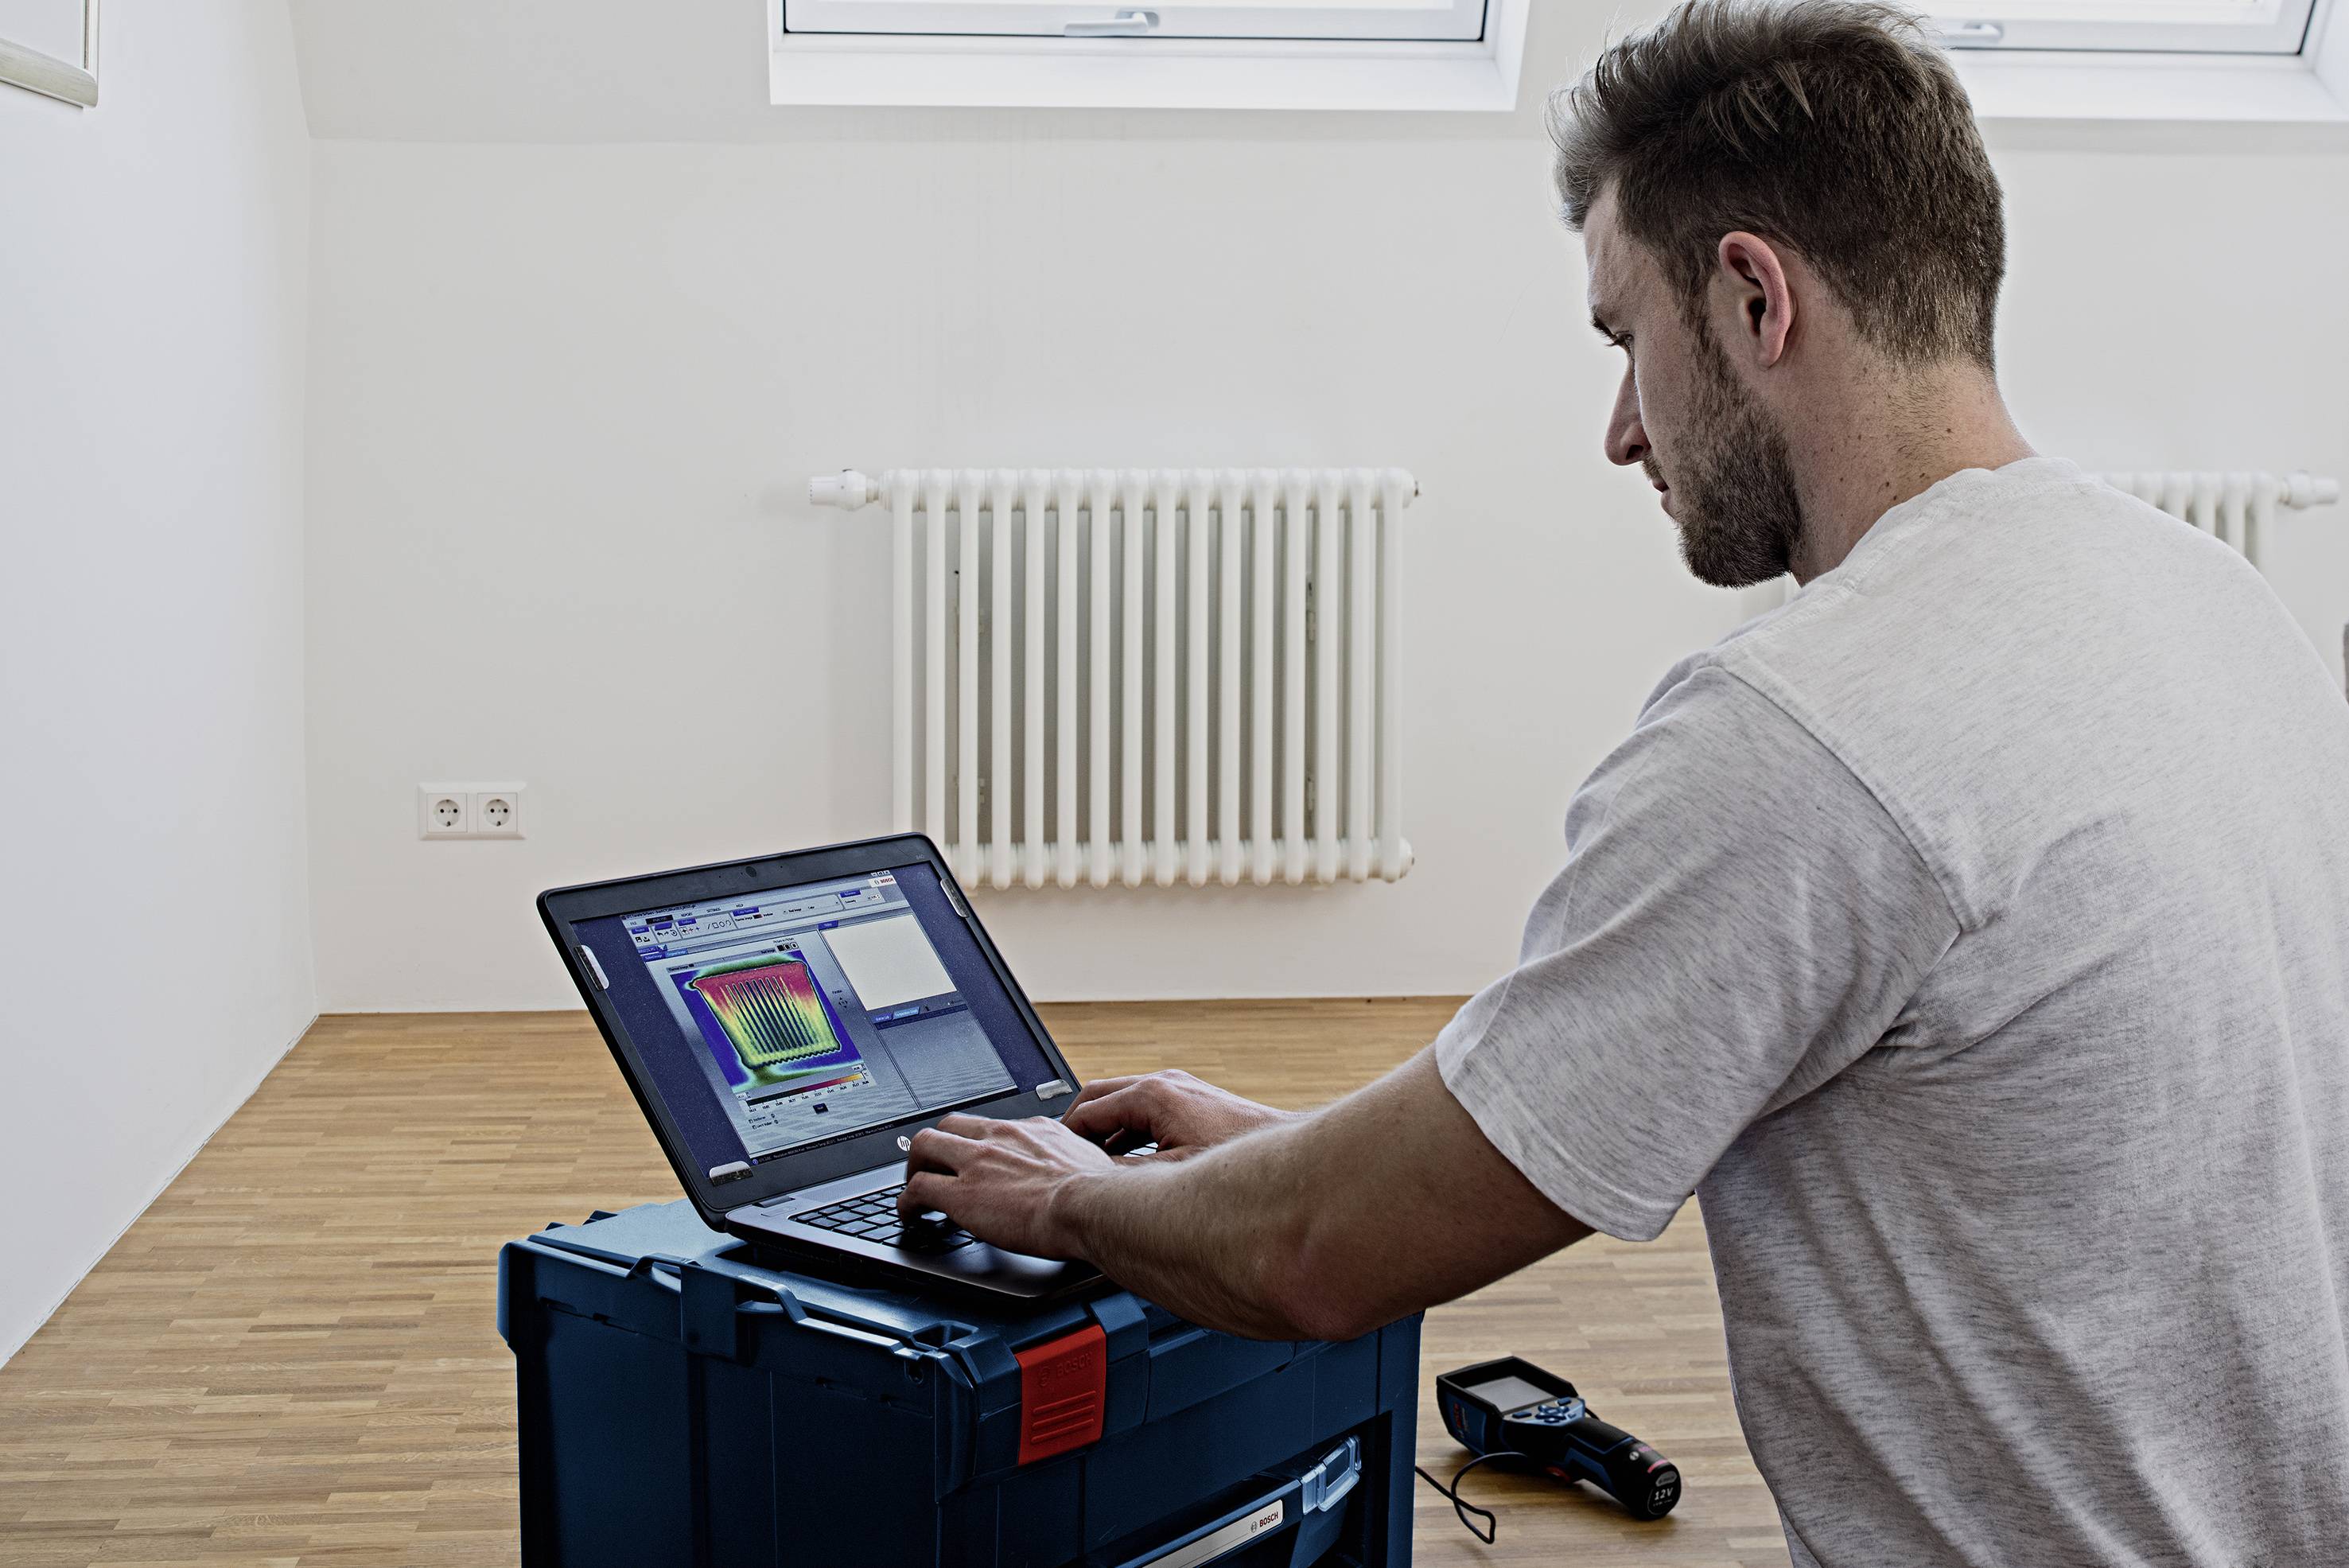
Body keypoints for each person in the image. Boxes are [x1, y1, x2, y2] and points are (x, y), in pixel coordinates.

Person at [899, 2, 2349, 1562]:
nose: (1617, 431)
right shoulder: (2204, 597)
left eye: (1621, 341)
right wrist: (1267, 1144)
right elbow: (1568, 1125)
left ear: (1747, 299)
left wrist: (1067, 1198)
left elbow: (1318, 1260)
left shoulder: (1808, 732)